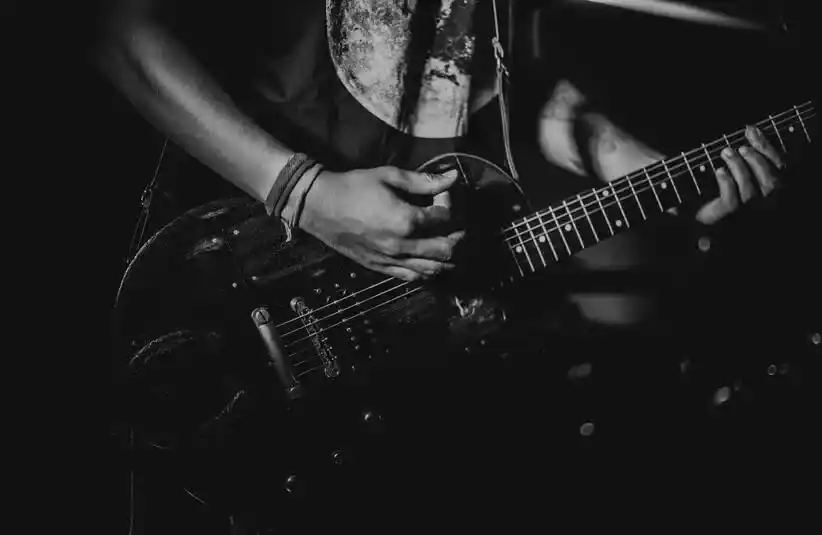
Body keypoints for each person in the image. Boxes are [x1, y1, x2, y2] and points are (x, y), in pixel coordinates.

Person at [98, 0, 787, 527]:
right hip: (233, 286)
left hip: (392, 358)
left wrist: (634, 165)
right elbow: (113, 26)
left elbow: (493, 87)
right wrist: (300, 191)